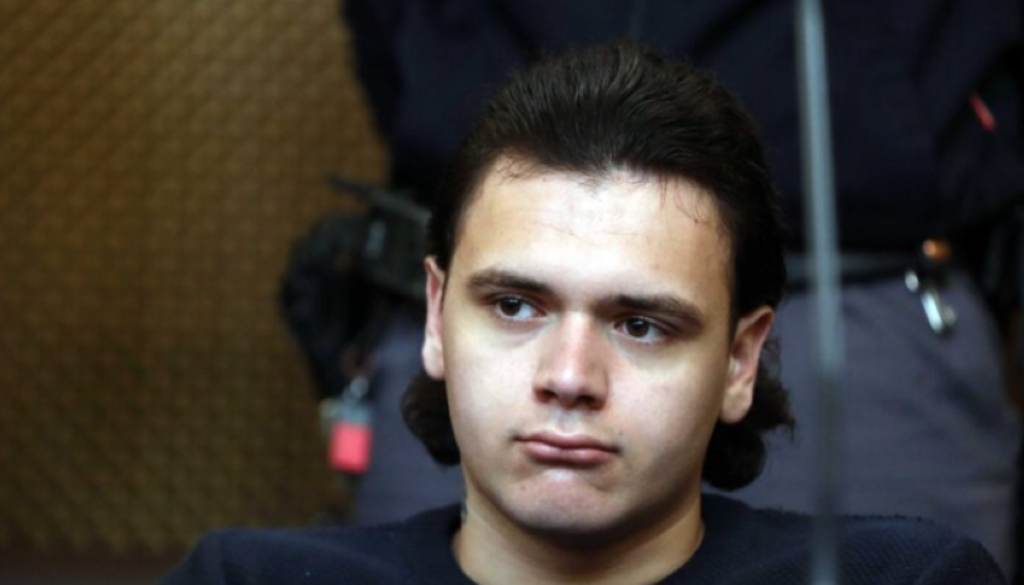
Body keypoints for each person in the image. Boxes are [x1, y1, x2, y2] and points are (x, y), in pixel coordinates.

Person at [162, 42, 1005, 584]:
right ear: (436, 317)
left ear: (740, 360)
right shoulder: (245, 577)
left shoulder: (907, 577)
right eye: (515, 305)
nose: (569, 377)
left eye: (641, 324)